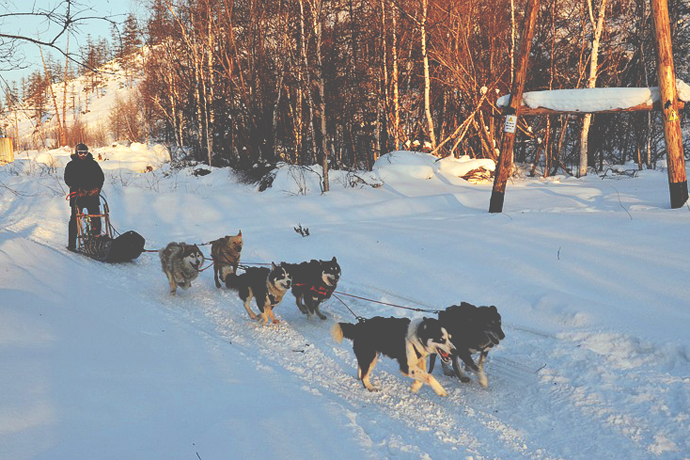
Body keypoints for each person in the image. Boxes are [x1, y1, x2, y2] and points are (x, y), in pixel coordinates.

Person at [64, 143, 105, 251]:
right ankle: (72, 244)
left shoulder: (93, 164)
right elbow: (68, 179)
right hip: (77, 196)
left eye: (85, 153)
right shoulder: (71, 165)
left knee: (95, 217)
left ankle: (96, 241)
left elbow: (100, 177)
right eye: (80, 153)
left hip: (92, 196)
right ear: (76, 153)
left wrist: (97, 188)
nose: (83, 155)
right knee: (74, 219)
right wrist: (77, 189)